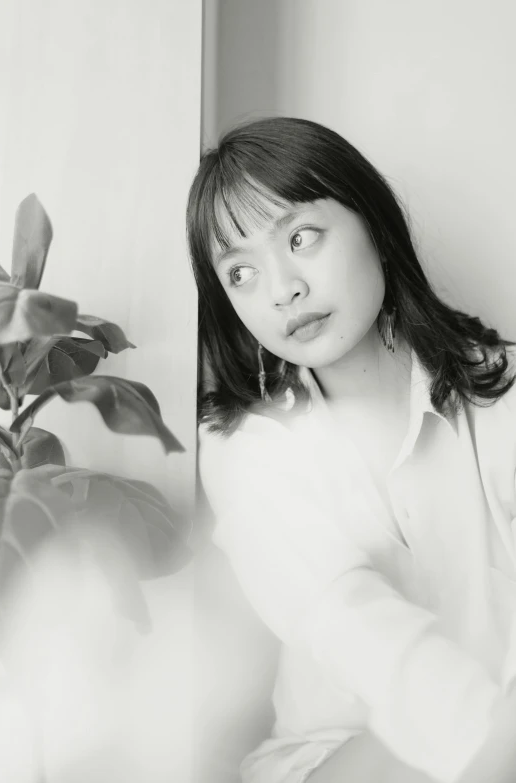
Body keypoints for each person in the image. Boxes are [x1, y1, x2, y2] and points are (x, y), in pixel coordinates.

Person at [186, 116, 516, 783]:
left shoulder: (499, 390)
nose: (282, 289)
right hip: (335, 759)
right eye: (241, 274)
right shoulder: (243, 448)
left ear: (375, 226)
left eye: (301, 238)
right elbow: (359, 632)